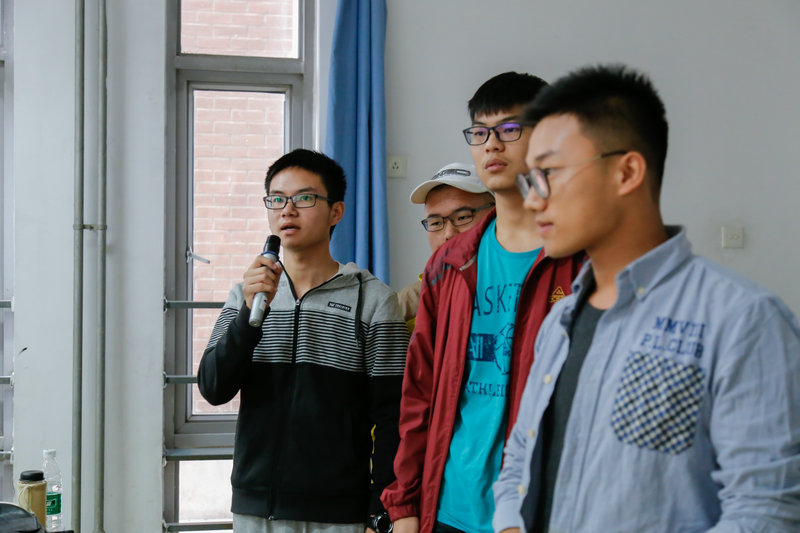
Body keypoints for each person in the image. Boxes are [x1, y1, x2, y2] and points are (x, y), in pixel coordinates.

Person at [493, 64, 800, 533]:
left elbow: (766, 511)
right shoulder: (560, 320)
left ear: (627, 171)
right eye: (529, 180)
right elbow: (520, 458)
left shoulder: (743, 320)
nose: (533, 200)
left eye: (549, 173)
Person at [382, 72, 584, 533]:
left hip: (541, 510)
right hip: (451, 506)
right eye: (480, 132)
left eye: (510, 129)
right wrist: (404, 503)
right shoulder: (449, 264)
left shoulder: (583, 260)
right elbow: (419, 393)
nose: (492, 144)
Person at [198, 149, 410, 533]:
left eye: (304, 198)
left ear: (336, 212)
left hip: (339, 515)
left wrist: (379, 509)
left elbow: (393, 416)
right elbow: (213, 387)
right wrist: (248, 316)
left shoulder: (374, 300)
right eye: (277, 199)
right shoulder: (246, 294)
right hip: (254, 508)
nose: (288, 210)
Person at [397, 162, 494, 328]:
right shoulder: (409, 304)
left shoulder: (518, 286)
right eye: (436, 223)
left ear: (496, 215)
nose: (449, 233)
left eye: (463, 217)